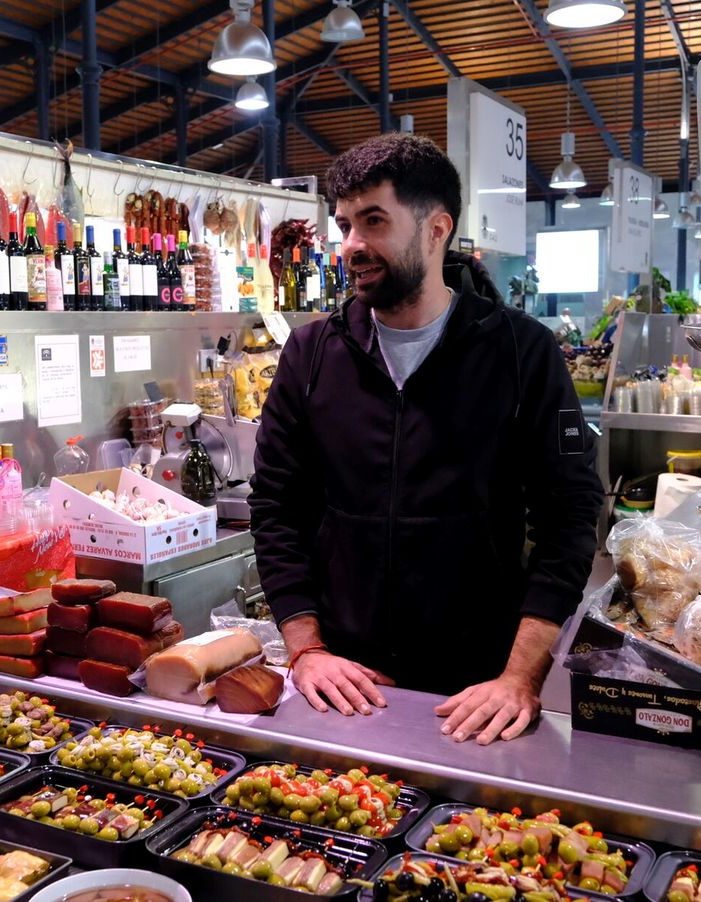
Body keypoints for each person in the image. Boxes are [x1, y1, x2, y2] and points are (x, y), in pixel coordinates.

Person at [248, 134, 605, 746]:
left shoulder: (521, 352)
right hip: (343, 684)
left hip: (479, 696)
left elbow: (570, 517)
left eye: (374, 221)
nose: (353, 245)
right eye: (345, 225)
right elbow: (276, 507)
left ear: (436, 229)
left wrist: (521, 674)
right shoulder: (310, 355)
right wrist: (305, 650)